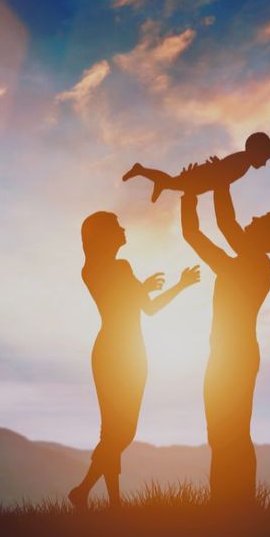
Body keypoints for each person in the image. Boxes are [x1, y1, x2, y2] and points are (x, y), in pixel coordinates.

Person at [69, 211, 200, 509]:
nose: (123, 228)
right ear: (102, 235)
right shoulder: (101, 269)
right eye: (116, 226)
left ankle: (102, 499)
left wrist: (179, 285)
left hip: (128, 351)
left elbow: (147, 307)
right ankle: (87, 492)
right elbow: (131, 303)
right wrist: (147, 288)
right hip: (119, 351)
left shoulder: (108, 269)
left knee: (116, 431)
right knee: (120, 431)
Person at [180, 177, 270, 507]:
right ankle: (230, 504)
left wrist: (213, 185)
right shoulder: (249, 262)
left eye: (258, 221)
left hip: (233, 358)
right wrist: (211, 186)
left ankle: (233, 505)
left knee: (230, 434)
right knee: (225, 433)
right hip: (231, 356)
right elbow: (217, 228)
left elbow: (212, 230)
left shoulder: (249, 266)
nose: (251, 220)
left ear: (263, 237)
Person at [123, 126, 270, 203]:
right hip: (204, 177)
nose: (265, 164)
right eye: (265, 159)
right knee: (174, 184)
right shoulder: (243, 160)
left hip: (206, 179)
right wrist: (217, 171)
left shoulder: (245, 159)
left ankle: (154, 179)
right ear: (257, 153)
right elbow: (223, 172)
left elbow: (267, 148)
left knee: (173, 184)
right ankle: (142, 170)